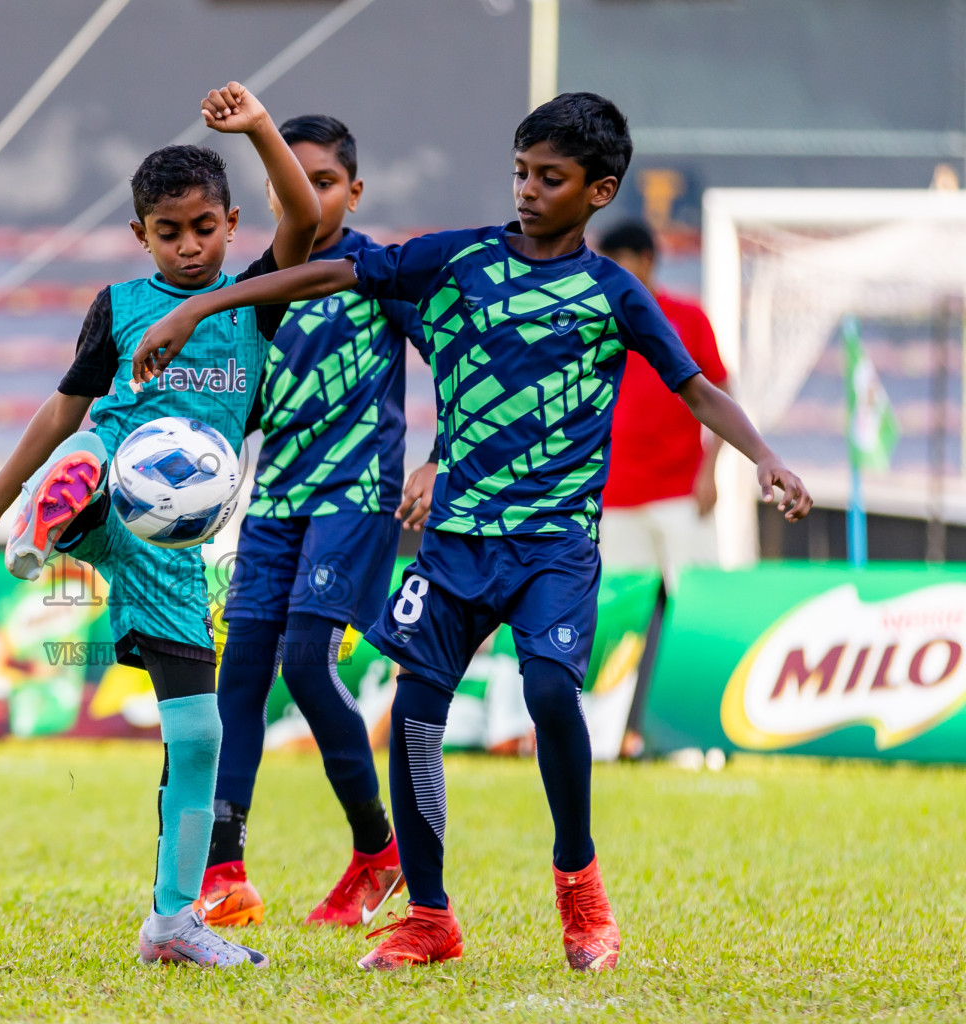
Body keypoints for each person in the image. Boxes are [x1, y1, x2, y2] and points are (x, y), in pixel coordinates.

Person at [128, 91, 812, 973]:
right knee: (415, 713)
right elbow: (330, 273)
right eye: (522, 171)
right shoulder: (455, 262)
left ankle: (580, 884)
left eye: (550, 178)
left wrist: (765, 457)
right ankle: (430, 916)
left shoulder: (614, 295)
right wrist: (202, 310)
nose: (527, 190)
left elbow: (695, 388)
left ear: (599, 191)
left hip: (555, 544)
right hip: (455, 543)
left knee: (554, 695)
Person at [0, 82, 319, 969]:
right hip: (110, 492)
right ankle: (56, 508)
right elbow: (64, 403)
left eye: (202, 228)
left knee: (200, 735)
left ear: (230, 225)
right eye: (167, 231)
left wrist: (262, 126)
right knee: (93, 448)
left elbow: (301, 215)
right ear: (139, 236)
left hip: (176, 548)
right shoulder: (119, 307)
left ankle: (174, 922)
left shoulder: (254, 303)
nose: (188, 246)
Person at [197, 115, 431, 931]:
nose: (310, 194)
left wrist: (440, 462)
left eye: (326, 181)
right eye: (294, 181)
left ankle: (379, 850)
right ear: (271, 190)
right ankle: (224, 870)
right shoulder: (260, 286)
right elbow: (237, 400)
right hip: (275, 500)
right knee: (241, 675)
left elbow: (464, 363)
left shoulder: (379, 270)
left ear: (354, 191)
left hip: (357, 495)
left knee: (305, 659)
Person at [597, 221, 729, 588]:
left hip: (681, 489)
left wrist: (710, 472)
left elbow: (721, 395)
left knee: (697, 600)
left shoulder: (689, 319)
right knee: (625, 615)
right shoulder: (594, 326)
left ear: (647, 260)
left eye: (619, 261)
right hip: (616, 493)